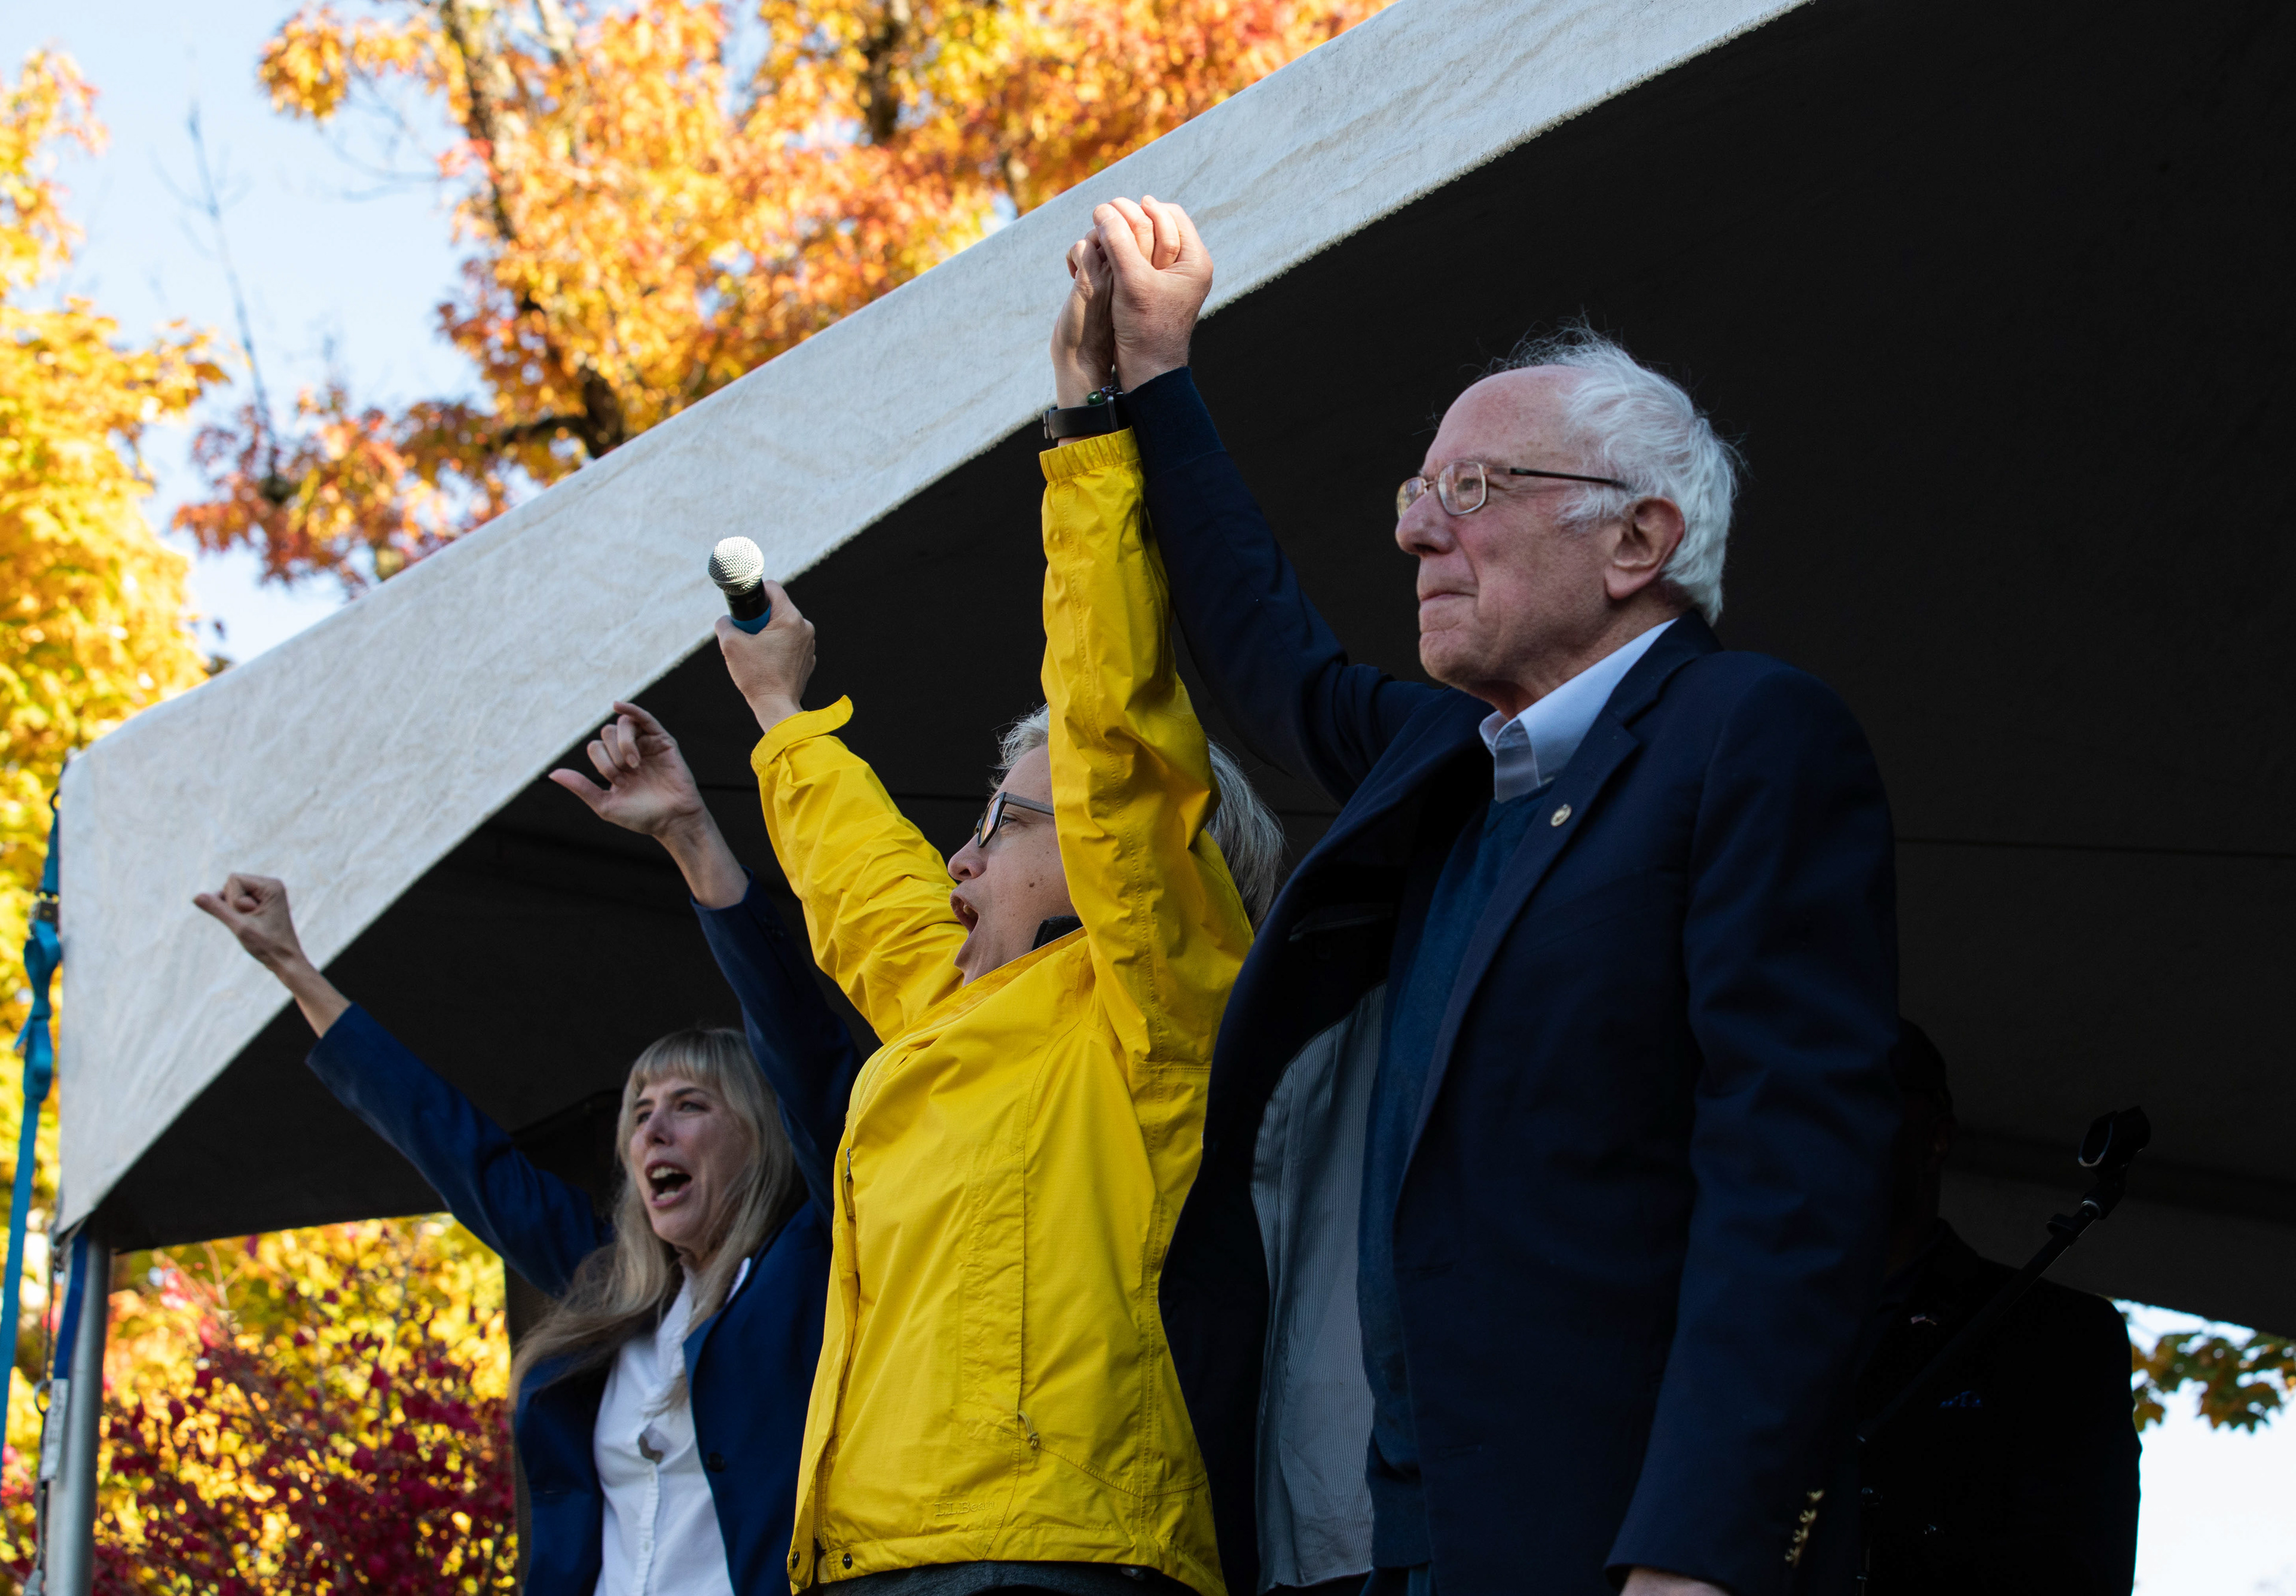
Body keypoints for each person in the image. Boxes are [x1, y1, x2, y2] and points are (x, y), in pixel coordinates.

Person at [1071, 197, 1905, 1596]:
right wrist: (1152, 377)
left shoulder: (1747, 735)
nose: (1413, 536)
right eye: (1413, 495)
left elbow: (1791, 1175)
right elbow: (1260, 645)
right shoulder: (1447, 763)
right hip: (1420, 1540)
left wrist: (1694, 1550)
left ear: (1636, 542)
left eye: (1468, 493)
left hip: (1624, 1541)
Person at [700, 240, 1284, 1596]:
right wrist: (778, 708)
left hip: (1054, 1559)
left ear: (1105, 860)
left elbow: (1114, 722)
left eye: (1000, 824)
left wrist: (1086, 428)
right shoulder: (955, 1007)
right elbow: (863, 889)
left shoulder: (1147, 1011)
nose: (956, 864)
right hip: (864, 1556)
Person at [194, 701, 860, 1596]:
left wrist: (691, 834)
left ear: (761, 1133)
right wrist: (296, 971)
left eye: (689, 1105)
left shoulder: (810, 1264)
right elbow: (459, 1151)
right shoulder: (611, 1285)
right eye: (638, 1111)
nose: (651, 1130)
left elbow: (803, 1048)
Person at [1851, 1023, 2141, 1594]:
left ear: (1935, 1137)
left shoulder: (2056, 1334)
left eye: (1861, 1096)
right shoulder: (1712, 1325)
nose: (1822, 1126)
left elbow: (2076, 1567)